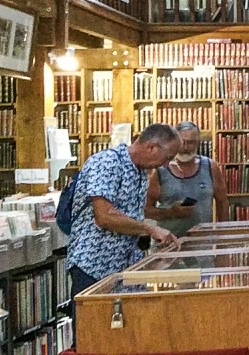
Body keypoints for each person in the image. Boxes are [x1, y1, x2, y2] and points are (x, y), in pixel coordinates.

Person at [68, 124, 182, 303]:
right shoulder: (107, 162)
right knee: (93, 320)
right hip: (94, 267)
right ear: (152, 147)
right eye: (167, 157)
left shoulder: (141, 172)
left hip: (126, 269)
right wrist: (150, 229)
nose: (166, 164)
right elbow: (104, 216)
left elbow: (132, 216)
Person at [146, 121, 228, 236]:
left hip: (202, 242)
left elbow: (222, 202)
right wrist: (170, 212)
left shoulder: (210, 167)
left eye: (191, 143)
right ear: (174, 142)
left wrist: (223, 233)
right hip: (169, 242)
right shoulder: (160, 169)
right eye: (182, 142)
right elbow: (146, 210)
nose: (185, 147)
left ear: (198, 142)